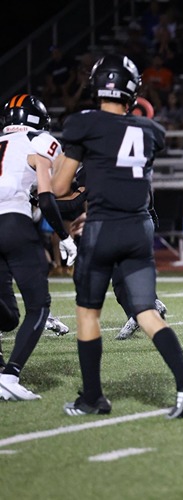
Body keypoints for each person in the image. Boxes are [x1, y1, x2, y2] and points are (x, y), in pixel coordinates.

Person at [52, 54, 183, 418]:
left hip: (102, 227)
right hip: (138, 228)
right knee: (147, 312)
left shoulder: (83, 123)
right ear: (132, 90)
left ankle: (93, 398)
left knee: (88, 313)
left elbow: (58, 187)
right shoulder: (150, 131)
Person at [0, 94, 78, 401]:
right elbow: (48, 195)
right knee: (39, 306)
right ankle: (10, 375)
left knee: (7, 315)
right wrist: (64, 236)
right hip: (12, 224)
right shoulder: (38, 140)